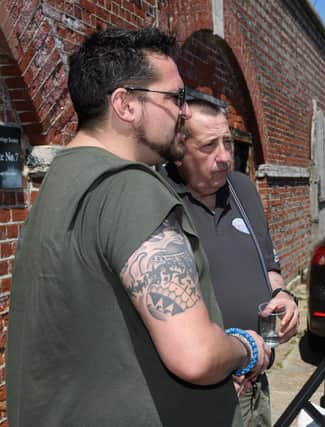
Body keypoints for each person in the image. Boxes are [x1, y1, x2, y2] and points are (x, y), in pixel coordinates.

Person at [6, 27, 270, 427]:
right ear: (125, 104)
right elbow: (195, 355)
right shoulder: (131, 188)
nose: (184, 111)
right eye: (175, 97)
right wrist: (246, 346)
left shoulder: (59, 182)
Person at [161, 89, 300, 427]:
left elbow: (268, 265)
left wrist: (283, 295)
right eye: (209, 146)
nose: (224, 157)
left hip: (254, 383)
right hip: (194, 397)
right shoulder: (157, 198)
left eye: (228, 143)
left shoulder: (243, 188)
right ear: (178, 151)